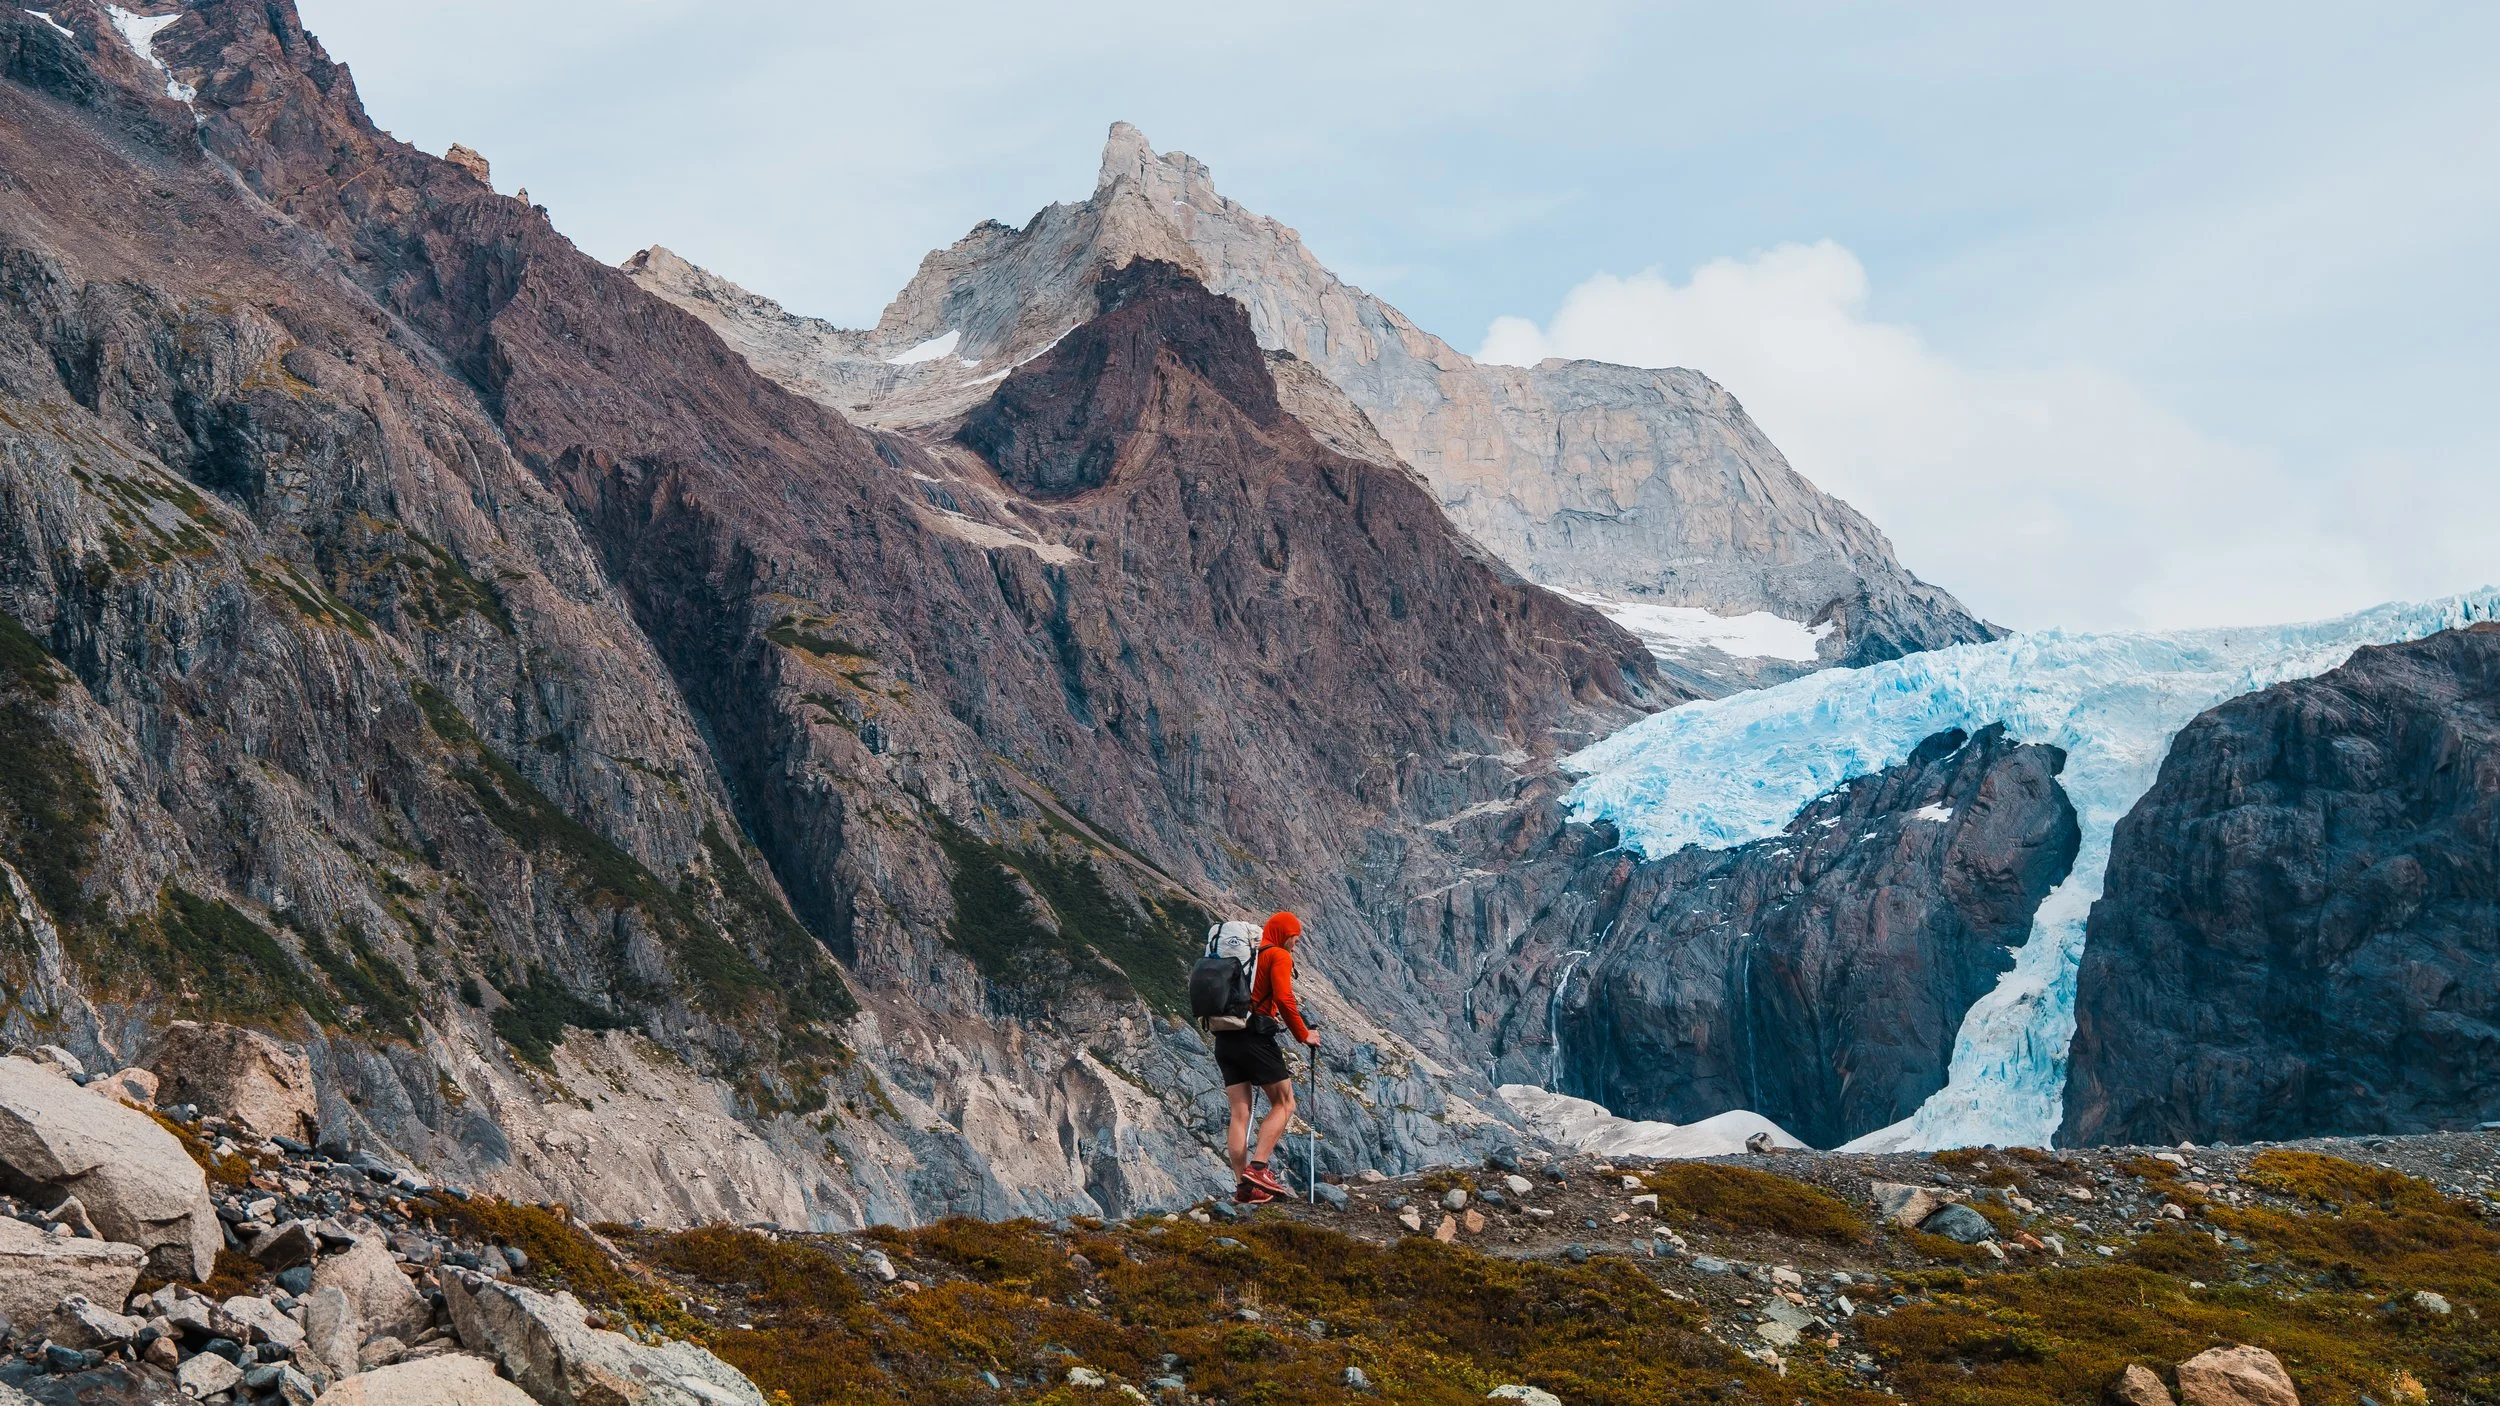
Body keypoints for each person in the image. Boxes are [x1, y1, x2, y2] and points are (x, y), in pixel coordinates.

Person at [1216, 910, 1318, 1202]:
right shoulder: (1278, 956)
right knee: (1285, 1103)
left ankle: (1243, 1187)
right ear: (1286, 935)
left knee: (1240, 1113)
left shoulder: (1247, 956)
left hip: (1225, 1037)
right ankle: (1259, 1168)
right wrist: (1304, 1035)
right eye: (1294, 939)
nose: (1295, 945)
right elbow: (1284, 998)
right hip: (1254, 1038)